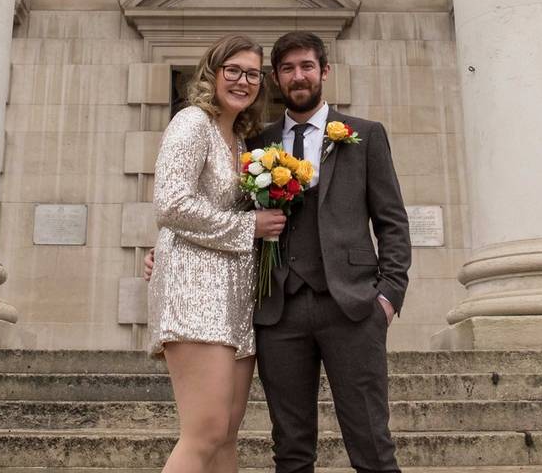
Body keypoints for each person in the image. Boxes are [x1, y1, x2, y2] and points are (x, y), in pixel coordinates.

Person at [147, 31, 411, 473]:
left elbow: (392, 222)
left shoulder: (364, 135)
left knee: (372, 442)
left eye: (307, 66)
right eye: (287, 68)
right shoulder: (257, 142)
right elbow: (192, 203)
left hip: (352, 307)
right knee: (289, 447)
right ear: (278, 79)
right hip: (277, 312)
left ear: (324, 71)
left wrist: (387, 297)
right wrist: (164, 252)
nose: (298, 76)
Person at [146, 33, 287, 473]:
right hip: (194, 290)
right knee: (204, 432)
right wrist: (250, 226)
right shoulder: (193, 123)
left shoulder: (243, 141)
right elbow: (170, 203)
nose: (243, 81)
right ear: (213, 72)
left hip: (236, 295)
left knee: (226, 436)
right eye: (234, 71)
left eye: (252, 74)